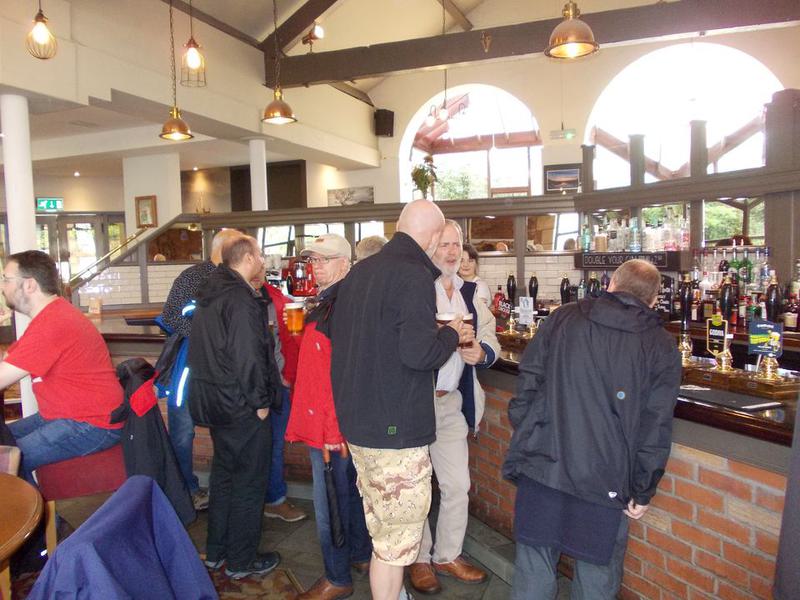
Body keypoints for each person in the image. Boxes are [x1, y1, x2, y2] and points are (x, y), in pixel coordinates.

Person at [503, 259, 682, 600]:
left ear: (611, 283)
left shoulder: (563, 318)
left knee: (533, 569)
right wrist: (643, 487)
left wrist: (526, 429)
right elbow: (655, 425)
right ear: (653, 299)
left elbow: (529, 379)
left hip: (543, 464)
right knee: (597, 576)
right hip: (607, 479)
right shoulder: (661, 346)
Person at [330, 199, 474, 600]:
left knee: (384, 535)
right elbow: (418, 355)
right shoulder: (413, 276)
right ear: (433, 237)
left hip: (359, 424)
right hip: (395, 431)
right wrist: (452, 334)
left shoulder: (361, 272)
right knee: (396, 546)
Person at [409, 221, 500, 594]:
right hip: (416, 402)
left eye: (456, 245)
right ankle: (419, 558)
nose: (451, 252)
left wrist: (483, 352)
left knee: (457, 485)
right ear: (431, 248)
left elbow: (489, 333)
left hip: (451, 402)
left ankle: (447, 554)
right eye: (444, 244)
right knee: (417, 487)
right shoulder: (416, 288)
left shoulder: (471, 292)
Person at [187, 236, 282, 580]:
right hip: (241, 405)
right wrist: (260, 402)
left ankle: (216, 552)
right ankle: (241, 561)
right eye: (261, 255)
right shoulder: (241, 299)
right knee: (248, 484)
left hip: (216, 403)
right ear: (249, 258)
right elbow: (248, 358)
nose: (264, 261)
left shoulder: (211, 292)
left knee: (224, 479)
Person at [285, 234, 372, 600]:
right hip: (328, 420)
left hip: (330, 426)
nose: (316, 266)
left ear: (345, 264)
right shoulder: (326, 301)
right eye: (313, 260)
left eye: (324, 260)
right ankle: (360, 554)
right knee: (350, 493)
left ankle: (337, 577)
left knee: (330, 504)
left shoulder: (343, 304)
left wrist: (333, 431)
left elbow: (349, 372)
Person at [1, 250, 123, 483]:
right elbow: (10, 358)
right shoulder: (51, 315)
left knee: (7, 460)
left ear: (29, 285)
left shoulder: (53, 323)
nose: (2, 287)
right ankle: (36, 505)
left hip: (92, 422)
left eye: (6, 279)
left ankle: (32, 507)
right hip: (65, 414)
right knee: (5, 443)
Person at [159, 228, 243, 511]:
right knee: (183, 432)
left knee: (226, 430)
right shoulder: (192, 277)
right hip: (189, 367)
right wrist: (206, 336)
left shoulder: (238, 276)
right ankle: (186, 490)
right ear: (222, 248)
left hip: (226, 368)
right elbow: (170, 316)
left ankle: (225, 489)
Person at [258, 281, 307, 524]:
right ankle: (264, 500)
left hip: (275, 384)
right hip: (250, 387)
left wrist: (287, 376)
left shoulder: (274, 297)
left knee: (274, 444)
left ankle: (273, 499)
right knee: (254, 447)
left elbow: (289, 340)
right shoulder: (232, 298)